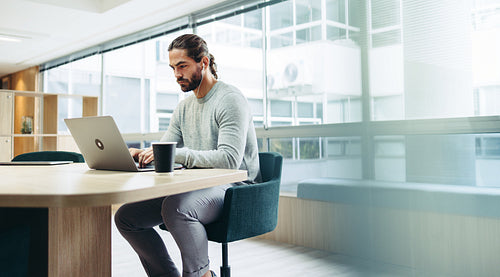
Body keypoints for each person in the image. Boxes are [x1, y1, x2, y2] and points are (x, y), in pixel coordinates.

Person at [114, 34, 261, 277]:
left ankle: (201, 275)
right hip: (200, 185)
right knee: (126, 217)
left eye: (182, 66)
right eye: (173, 68)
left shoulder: (230, 99)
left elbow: (229, 161)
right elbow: (166, 149)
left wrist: (177, 154)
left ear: (203, 63)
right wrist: (144, 153)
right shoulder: (184, 107)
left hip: (236, 186)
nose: (176, 75)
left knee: (176, 208)